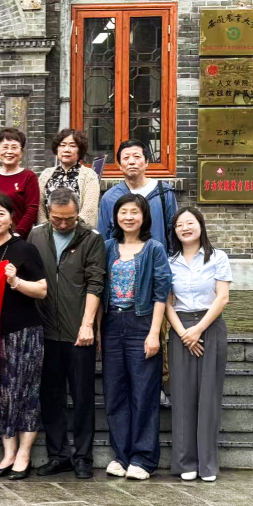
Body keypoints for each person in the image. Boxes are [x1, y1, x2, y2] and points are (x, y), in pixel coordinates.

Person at [28, 188, 105, 479]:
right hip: (46, 330)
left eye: (69, 219)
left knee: (83, 396)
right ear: (48, 213)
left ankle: (83, 457)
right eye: (57, 219)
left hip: (79, 332)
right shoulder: (36, 235)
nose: (62, 224)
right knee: (51, 397)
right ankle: (58, 455)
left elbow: (95, 283)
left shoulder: (91, 238)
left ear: (77, 214)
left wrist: (87, 324)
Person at [0, 194, 47, 481]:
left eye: (0, 213)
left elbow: (42, 290)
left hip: (25, 331)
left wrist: (15, 281)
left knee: (26, 391)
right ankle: (8, 453)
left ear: (11, 218)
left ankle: (24, 455)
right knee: (2, 393)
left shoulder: (25, 249)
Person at [101, 193, 171, 481]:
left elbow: (161, 293)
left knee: (144, 393)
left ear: (144, 217)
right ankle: (121, 455)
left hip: (142, 323)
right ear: (116, 216)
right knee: (115, 393)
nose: (128, 217)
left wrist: (154, 333)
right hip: (111, 324)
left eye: (134, 212)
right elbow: (97, 288)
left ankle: (143, 458)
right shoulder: (107, 247)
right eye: (123, 212)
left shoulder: (154, 249)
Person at [166, 207, 232, 482]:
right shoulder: (169, 262)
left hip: (210, 327)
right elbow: (167, 303)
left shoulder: (218, 257)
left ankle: (207, 465)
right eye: (179, 224)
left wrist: (199, 329)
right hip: (180, 329)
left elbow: (222, 298)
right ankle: (186, 463)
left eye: (190, 222)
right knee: (182, 397)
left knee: (208, 398)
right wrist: (185, 333)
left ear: (201, 226)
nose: (185, 228)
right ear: (174, 231)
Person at [97, 140, 177, 252]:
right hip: (121, 261)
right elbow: (103, 236)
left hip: (158, 260)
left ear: (146, 162)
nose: (131, 162)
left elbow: (173, 232)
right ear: (120, 165)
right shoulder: (110, 197)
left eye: (137, 156)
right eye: (126, 158)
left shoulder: (163, 192)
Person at [0, 128, 39, 239]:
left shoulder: (29, 177)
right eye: (5, 147)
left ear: (21, 152)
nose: (9, 151)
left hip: (19, 238)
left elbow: (32, 210)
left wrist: (17, 234)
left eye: (14, 147)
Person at [37, 129, 100, 227]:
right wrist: (47, 230)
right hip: (48, 232)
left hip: (79, 232)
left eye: (72, 146)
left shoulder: (89, 175)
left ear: (80, 150)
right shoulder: (46, 174)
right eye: (62, 145)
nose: (66, 149)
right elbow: (39, 207)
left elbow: (89, 210)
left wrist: (72, 229)